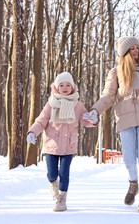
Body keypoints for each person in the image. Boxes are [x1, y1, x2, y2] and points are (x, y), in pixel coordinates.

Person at [84, 36, 139, 213]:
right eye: (132, 48)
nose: (136, 51)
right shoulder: (115, 72)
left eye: (137, 47)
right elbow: (108, 97)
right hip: (125, 117)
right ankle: (133, 183)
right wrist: (95, 111)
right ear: (124, 52)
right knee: (129, 159)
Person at [26, 71, 93, 212]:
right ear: (56, 87)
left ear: (72, 87)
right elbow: (41, 120)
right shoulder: (51, 104)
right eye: (61, 85)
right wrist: (32, 132)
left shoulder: (78, 105)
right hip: (51, 145)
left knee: (64, 173)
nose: (65, 87)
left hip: (69, 145)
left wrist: (91, 119)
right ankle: (53, 185)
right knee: (52, 174)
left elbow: (85, 120)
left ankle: (61, 199)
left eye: (68, 84)